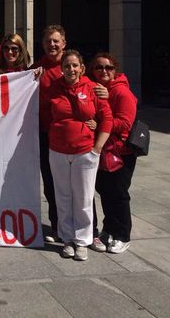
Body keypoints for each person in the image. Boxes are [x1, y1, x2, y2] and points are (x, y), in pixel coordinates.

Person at [46, 50, 112, 261]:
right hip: (58, 151)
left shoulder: (93, 88)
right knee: (63, 197)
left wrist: (98, 148)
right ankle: (66, 238)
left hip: (85, 152)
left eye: (75, 65)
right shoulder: (53, 88)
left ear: (82, 68)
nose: (71, 69)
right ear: (62, 68)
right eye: (67, 66)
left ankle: (83, 240)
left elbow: (107, 119)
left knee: (83, 198)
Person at [89, 52, 138, 254]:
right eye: (99, 67)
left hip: (121, 152)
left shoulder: (121, 92)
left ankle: (123, 235)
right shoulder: (97, 89)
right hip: (104, 150)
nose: (104, 71)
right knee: (106, 193)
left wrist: (100, 124)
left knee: (118, 195)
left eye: (108, 68)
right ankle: (109, 230)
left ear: (115, 70)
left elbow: (125, 123)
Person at [31, 24, 66, 242]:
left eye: (56, 41)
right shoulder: (36, 68)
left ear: (64, 43)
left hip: (69, 137)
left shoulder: (73, 66)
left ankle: (85, 229)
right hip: (45, 135)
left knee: (76, 184)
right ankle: (57, 225)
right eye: (47, 41)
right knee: (51, 182)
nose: (51, 45)